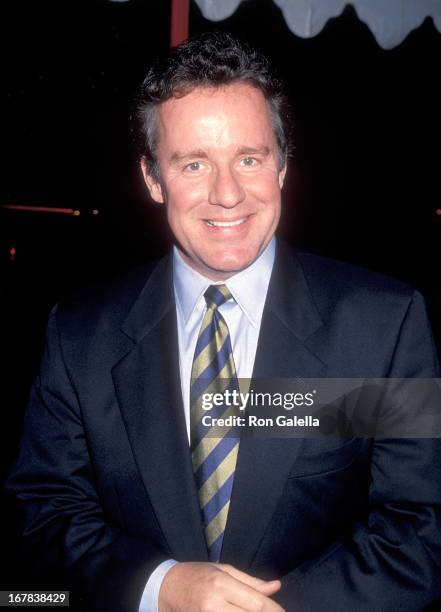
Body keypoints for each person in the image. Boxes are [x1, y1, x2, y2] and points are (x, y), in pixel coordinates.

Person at [5, 32, 441, 612]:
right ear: (152, 178)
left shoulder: (384, 327)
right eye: (193, 163)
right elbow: (44, 516)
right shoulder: (80, 336)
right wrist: (162, 587)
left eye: (249, 158)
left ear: (282, 166)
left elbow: (420, 528)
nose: (227, 194)